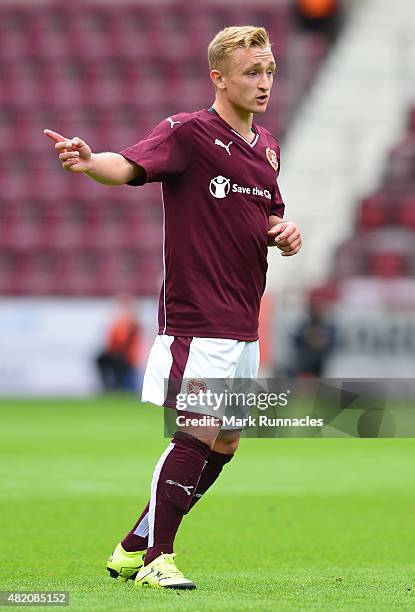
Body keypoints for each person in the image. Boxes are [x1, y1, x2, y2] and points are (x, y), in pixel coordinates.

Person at [45, 26, 302, 591]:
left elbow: (263, 215)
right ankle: (158, 557)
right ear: (219, 78)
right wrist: (90, 163)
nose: (263, 84)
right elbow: (128, 166)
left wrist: (280, 231)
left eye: (269, 73)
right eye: (251, 74)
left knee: (226, 441)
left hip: (242, 318)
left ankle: (135, 542)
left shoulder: (268, 148)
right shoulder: (187, 133)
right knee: (197, 429)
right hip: (198, 316)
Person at [96, 294, 141, 392]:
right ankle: (111, 385)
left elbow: (122, 342)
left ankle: (113, 386)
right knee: (101, 359)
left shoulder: (131, 323)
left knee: (109, 361)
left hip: (126, 357)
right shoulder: (123, 322)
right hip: (119, 355)